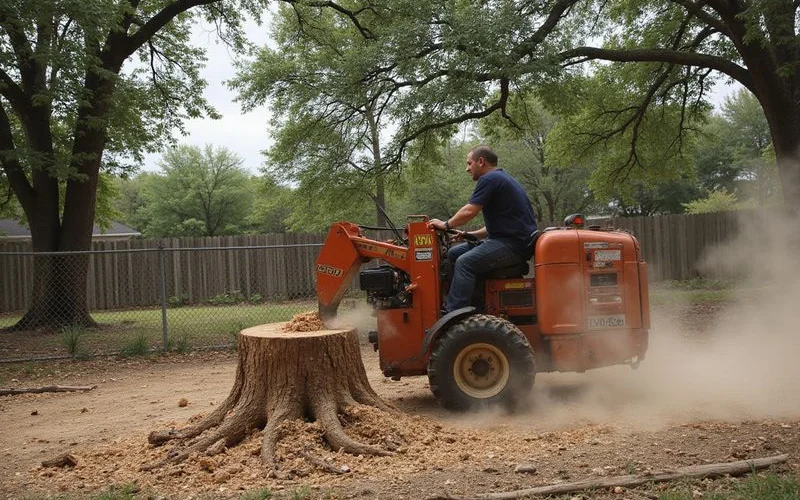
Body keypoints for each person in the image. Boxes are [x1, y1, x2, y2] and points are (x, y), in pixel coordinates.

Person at [428, 145, 538, 313]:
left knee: (465, 263)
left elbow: (470, 210)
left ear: (481, 161)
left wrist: (446, 225)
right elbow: (494, 226)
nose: (467, 169)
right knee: (453, 254)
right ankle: (476, 303)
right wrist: (468, 234)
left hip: (512, 246)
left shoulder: (490, 179)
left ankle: (455, 313)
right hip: (506, 242)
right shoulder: (502, 179)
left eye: (469, 163)